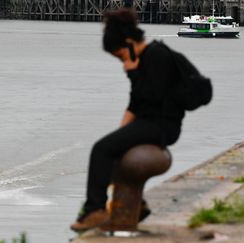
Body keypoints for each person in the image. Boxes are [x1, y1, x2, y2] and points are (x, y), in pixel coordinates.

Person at [70, 8, 185, 232]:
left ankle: (95, 210)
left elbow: (151, 99)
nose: (122, 63)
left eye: (121, 56)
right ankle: (135, 205)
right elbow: (135, 105)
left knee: (100, 150)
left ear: (130, 43)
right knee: (110, 149)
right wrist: (120, 135)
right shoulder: (146, 59)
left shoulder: (156, 57)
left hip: (162, 127)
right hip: (152, 124)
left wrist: (133, 73)